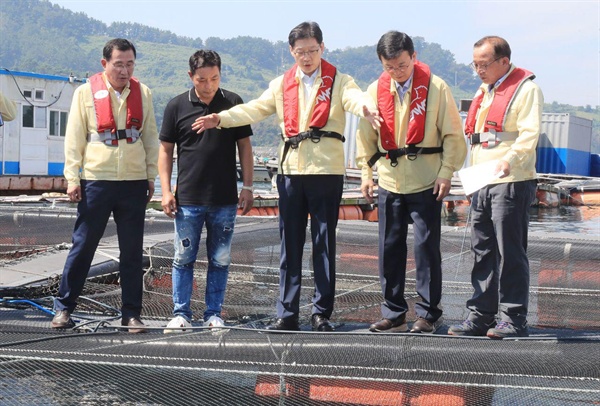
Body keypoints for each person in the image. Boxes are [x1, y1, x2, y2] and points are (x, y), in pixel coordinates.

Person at [192, 21, 381, 332]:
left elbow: (355, 98)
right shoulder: (281, 84)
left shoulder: (340, 81)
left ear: (323, 48)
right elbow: (253, 109)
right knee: (289, 244)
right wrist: (220, 118)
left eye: (312, 50)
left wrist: (367, 109)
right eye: (300, 52)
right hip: (291, 171)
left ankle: (322, 312)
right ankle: (287, 312)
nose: (306, 57)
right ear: (291, 52)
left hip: (325, 171)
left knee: (323, 243)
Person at [356, 31, 466, 334]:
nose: (396, 73)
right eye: (389, 68)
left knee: (426, 247)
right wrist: (367, 173)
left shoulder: (437, 87)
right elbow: (365, 139)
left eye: (402, 66)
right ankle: (393, 312)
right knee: (389, 247)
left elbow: (454, 137)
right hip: (390, 179)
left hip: (427, 179)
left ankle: (428, 313)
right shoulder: (373, 91)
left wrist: (447, 172)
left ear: (414, 57)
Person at [51, 38, 159, 333]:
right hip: (97, 181)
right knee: (83, 246)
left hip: (133, 181)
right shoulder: (85, 93)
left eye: (130, 64)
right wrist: (72, 177)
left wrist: (152, 176)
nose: (124, 71)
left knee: (133, 252)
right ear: (105, 64)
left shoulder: (144, 93)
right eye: (118, 64)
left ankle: (131, 314)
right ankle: (63, 309)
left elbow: (150, 137)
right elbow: (73, 138)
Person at [448, 36, 543, 339]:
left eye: (484, 64)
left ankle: (514, 318)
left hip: (511, 180)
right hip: (482, 179)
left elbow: (529, 135)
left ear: (504, 61)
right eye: (475, 64)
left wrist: (510, 160)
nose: (478, 70)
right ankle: (481, 315)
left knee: (511, 251)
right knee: (483, 249)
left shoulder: (526, 89)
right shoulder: (484, 91)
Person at [158, 50, 254, 333]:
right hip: (187, 198)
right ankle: (181, 314)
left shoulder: (233, 103)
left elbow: (245, 147)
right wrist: (166, 190)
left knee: (220, 259)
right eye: (202, 80)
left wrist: (247, 186)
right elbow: (165, 151)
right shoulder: (176, 106)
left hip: (224, 199)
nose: (209, 85)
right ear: (191, 77)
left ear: (220, 75)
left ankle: (213, 313)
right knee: (183, 257)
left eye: (214, 78)